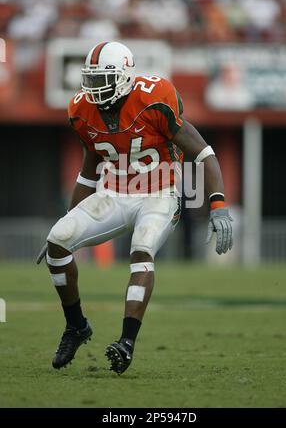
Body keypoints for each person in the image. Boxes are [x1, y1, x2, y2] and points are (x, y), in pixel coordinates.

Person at [37, 41, 233, 375]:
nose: (95, 88)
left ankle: (126, 341)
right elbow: (89, 170)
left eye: (104, 79)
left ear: (125, 77)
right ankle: (76, 326)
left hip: (159, 192)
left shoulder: (154, 98)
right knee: (58, 239)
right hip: (113, 193)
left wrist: (217, 205)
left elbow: (204, 153)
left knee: (142, 250)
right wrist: (68, 220)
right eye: (92, 79)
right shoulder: (82, 109)